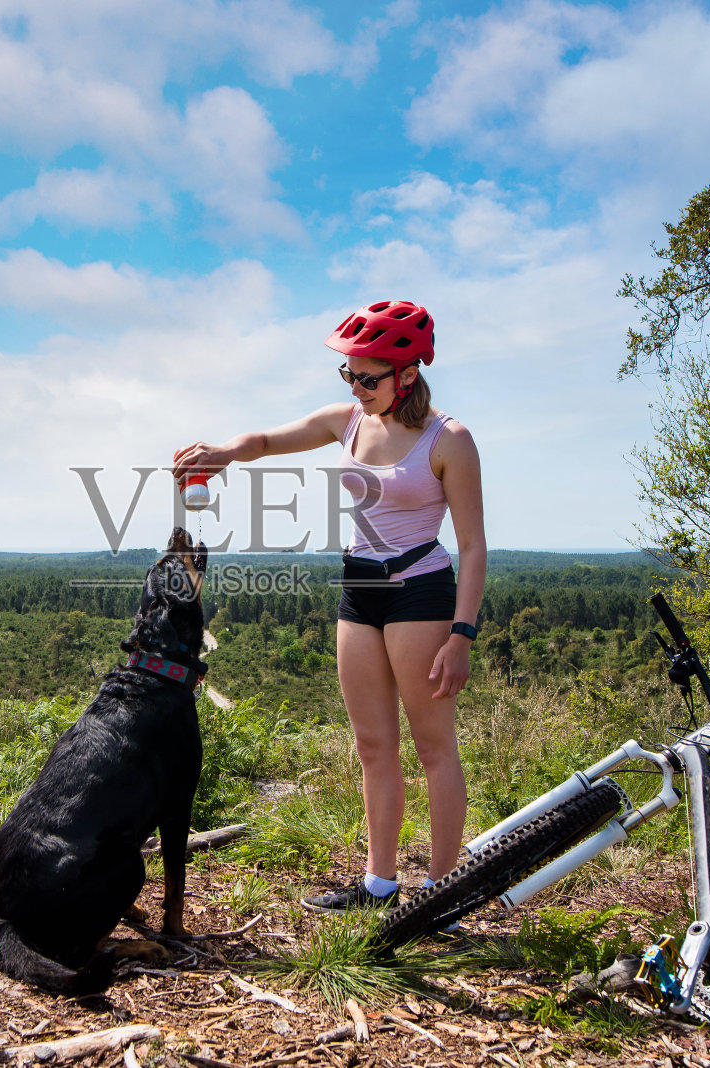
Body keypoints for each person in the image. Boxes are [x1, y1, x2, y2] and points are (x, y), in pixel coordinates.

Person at [172, 300, 485, 912]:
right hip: (358, 589)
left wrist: (461, 635)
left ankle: (444, 894)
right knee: (373, 746)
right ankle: (379, 884)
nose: (356, 388)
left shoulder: (449, 440)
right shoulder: (349, 421)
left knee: (433, 749)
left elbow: (472, 546)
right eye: (350, 375)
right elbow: (268, 440)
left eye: (368, 378)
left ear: (408, 374)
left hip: (419, 592)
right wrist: (223, 452)